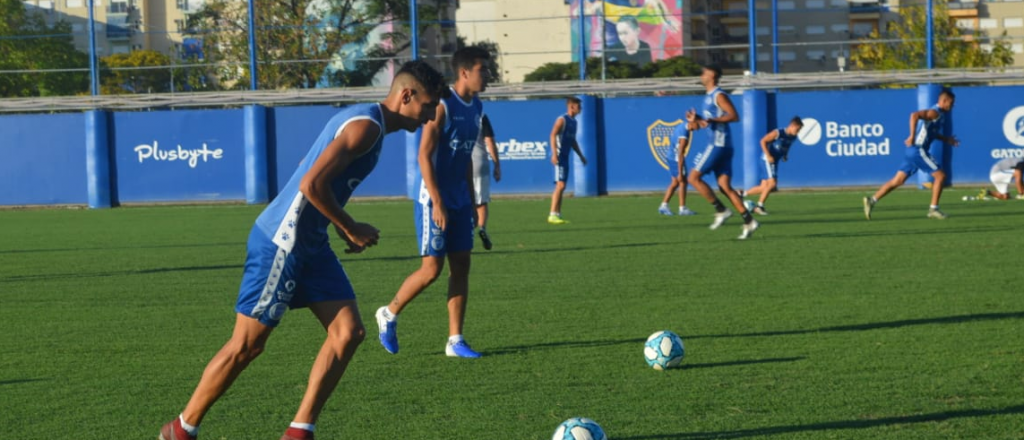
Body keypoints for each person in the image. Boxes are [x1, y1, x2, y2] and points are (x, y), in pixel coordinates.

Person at [158, 60, 447, 440]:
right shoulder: (367, 126)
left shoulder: (367, 123)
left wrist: (337, 228)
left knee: (349, 333)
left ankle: (299, 431)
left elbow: (309, 169)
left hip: (311, 243)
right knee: (248, 345)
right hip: (284, 242)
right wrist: (350, 226)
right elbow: (310, 184)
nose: (429, 118)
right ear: (406, 95)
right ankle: (181, 429)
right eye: (427, 106)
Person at [374, 46, 491, 359]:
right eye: (483, 70)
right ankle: (389, 312)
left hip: (459, 198)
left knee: (462, 266)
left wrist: (472, 198)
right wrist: (438, 201)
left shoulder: (477, 106)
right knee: (431, 270)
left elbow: (465, 156)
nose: (488, 75)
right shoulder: (443, 105)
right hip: (432, 198)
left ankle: (455, 340)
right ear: (465, 72)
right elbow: (424, 154)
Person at [685, 64, 759, 240]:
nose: (701, 75)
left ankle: (721, 210)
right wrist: (697, 121)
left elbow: (734, 116)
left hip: (718, 144)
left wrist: (709, 119)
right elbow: (709, 122)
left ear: (712, 75)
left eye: (704, 73)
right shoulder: (708, 96)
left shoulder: (718, 95)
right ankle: (749, 221)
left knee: (693, 178)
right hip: (724, 145)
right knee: (725, 187)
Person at [863, 89, 959, 220]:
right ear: (944, 101)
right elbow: (914, 115)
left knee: (898, 181)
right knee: (941, 176)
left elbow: (931, 133)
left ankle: (872, 200)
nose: (952, 106)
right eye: (951, 103)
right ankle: (933, 209)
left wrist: (946, 139)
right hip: (918, 150)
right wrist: (912, 136)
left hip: (912, 152)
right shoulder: (934, 112)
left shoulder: (939, 115)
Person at [741, 117, 804, 215]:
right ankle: (759, 206)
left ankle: (741, 194)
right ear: (792, 126)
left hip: (774, 161)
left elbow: (788, 146)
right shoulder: (778, 133)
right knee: (772, 184)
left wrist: (785, 155)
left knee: (764, 187)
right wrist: (768, 155)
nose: (798, 132)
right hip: (767, 160)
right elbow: (763, 141)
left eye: (800, 130)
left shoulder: (793, 137)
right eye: (798, 129)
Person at [548, 97, 588, 224]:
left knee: (562, 186)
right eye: (578, 106)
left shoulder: (574, 122)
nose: (580, 109)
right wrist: (554, 154)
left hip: (565, 156)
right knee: (560, 185)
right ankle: (552, 214)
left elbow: (573, 141)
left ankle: (557, 214)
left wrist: (581, 156)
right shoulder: (562, 120)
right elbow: (552, 134)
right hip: (559, 156)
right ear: (572, 107)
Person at [472, 113, 501, 250]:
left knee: (466, 202)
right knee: (481, 202)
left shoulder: (453, 110)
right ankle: (482, 228)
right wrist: (497, 165)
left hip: (461, 163)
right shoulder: (481, 115)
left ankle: (467, 233)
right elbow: (490, 141)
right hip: (479, 163)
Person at [658, 121, 697, 216]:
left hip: (671, 156)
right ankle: (682, 208)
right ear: (692, 123)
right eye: (697, 125)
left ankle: (664, 206)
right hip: (675, 159)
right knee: (682, 181)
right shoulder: (684, 136)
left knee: (675, 182)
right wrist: (680, 172)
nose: (697, 128)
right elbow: (680, 155)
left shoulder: (682, 125)